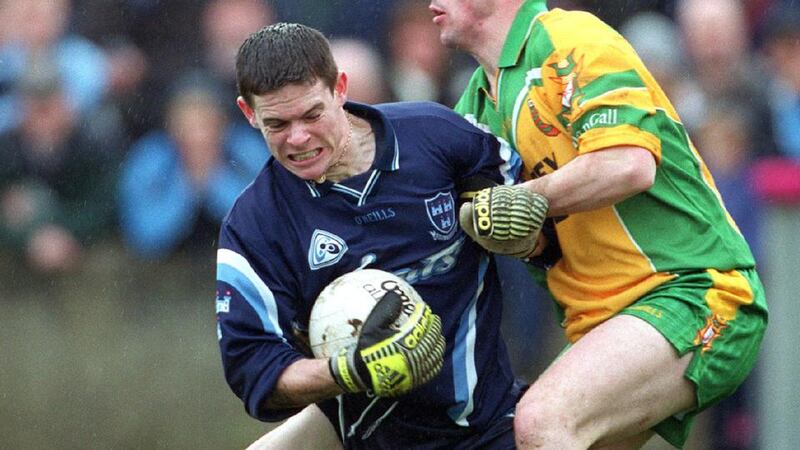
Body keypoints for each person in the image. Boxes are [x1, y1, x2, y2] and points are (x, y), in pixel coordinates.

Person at [429, 0, 769, 448]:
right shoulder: (469, 110)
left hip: (695, 291)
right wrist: (516, 236)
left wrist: (523, 198)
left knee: (543, 419)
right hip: (601, 324)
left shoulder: (570, 39)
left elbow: (628, 165)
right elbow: (538, 240)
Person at [216, 23, 528, 449]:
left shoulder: (434, 135)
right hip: (371, 439)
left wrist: (523, 229)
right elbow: (254, 369)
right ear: (248, 113)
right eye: (277, 124)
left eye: (312, 115)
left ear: (339, 88)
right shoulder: (255, 226)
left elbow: (542, 214)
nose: (299, 138)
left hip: (490, 424)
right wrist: (350, 371)